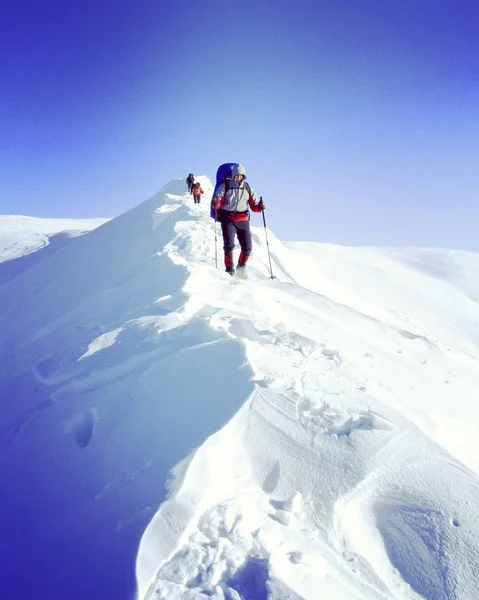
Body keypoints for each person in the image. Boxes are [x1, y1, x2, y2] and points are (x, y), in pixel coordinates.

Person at [212, 163, 266, 276]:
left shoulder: (247, 188)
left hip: (243, 219)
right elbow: (218, 200)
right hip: (228, 219)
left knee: (247, 247)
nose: (238, 177)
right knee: (229, 245)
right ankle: (229, 270)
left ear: (243, 176)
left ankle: (241, 268)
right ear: (233, 175)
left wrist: (260, 206)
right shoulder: (225, 186)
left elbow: (254, 205)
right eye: (236, 175)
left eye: (240, 175)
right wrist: (215, 204)